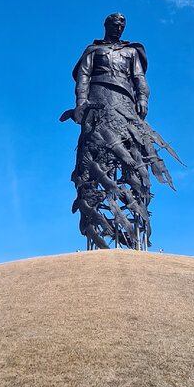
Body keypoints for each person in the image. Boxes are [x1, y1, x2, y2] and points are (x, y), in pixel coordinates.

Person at [61, 13, 181, 250]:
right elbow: (83, 78)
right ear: (106, 25)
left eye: (121, 26)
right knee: (95, 158)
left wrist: (143, 98)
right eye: (114, 25)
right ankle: (97, 225)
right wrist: (81, 103)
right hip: (98, 103)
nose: (118, 28)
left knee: (132, 156)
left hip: (124, 104)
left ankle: (135, 231)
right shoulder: (93, 50)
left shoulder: (131, 51)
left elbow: (139, 78)